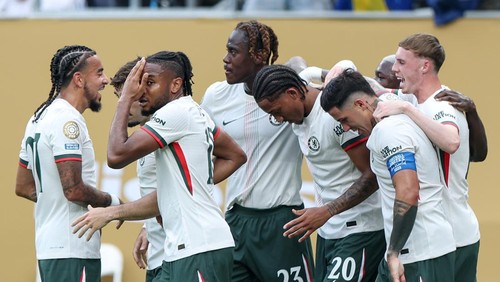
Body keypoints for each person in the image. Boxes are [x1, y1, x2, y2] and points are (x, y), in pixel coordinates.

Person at [72, 51, 247, 281]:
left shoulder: (174, 114)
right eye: (141, 84)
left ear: (175, 85)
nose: (142, 91)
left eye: (151, 83)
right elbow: (235, 155)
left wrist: (125, 98)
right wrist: (187, 187)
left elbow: (115, 156)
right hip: (186, 246)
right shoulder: (189, 112)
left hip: (197, 245)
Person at [201, 20, 315, 281]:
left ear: (259, 55)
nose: (225, 59)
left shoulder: (290, 91)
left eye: (233, 51)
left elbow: (300, 62)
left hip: (283, 222)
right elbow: (199, 156)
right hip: (236, 221)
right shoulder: (216, 96)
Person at [252, 64, 385, 282]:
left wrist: (326, 211)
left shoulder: (333, 117)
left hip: (360, 229)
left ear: (293, 94)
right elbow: (301, 66)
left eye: (277, 111)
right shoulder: (299, 99)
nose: (278, 119)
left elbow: (373, 175)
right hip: (328, 233)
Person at [321, 69, 456, 282]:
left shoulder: (389, 130)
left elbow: (409, 192)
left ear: (361, 105)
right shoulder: (390, 107)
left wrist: (393, 252)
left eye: (343, 119)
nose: (346, 127)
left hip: (419, 253)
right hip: (409, 252)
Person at [373, 33, 486, 282]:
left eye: (402, 62)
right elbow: (369, 86)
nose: (394, 68)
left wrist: (406, 109)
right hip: (449, 232)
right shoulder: (413, 98)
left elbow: (451, 141)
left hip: (452, 236)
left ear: (424, 66)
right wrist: (337, 71)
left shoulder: (441, 105)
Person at [15, 45, 121, 282]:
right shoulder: (68, 120)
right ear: (79, 79)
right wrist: (112, 204)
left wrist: (55, 202)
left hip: (50, 247)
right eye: (100, 73)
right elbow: (73, 189)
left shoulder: (38, 118)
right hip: (72, 249)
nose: (106, 80)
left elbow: (23, 187)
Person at [110, 58, 166, 281]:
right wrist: (148, 225)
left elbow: (178, 190)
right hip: (158, 257)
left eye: (127, 98)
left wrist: (110, 212)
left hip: (178, 258)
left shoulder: (168, 129)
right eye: (119, 99)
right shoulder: (147, 135)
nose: (122, 106)